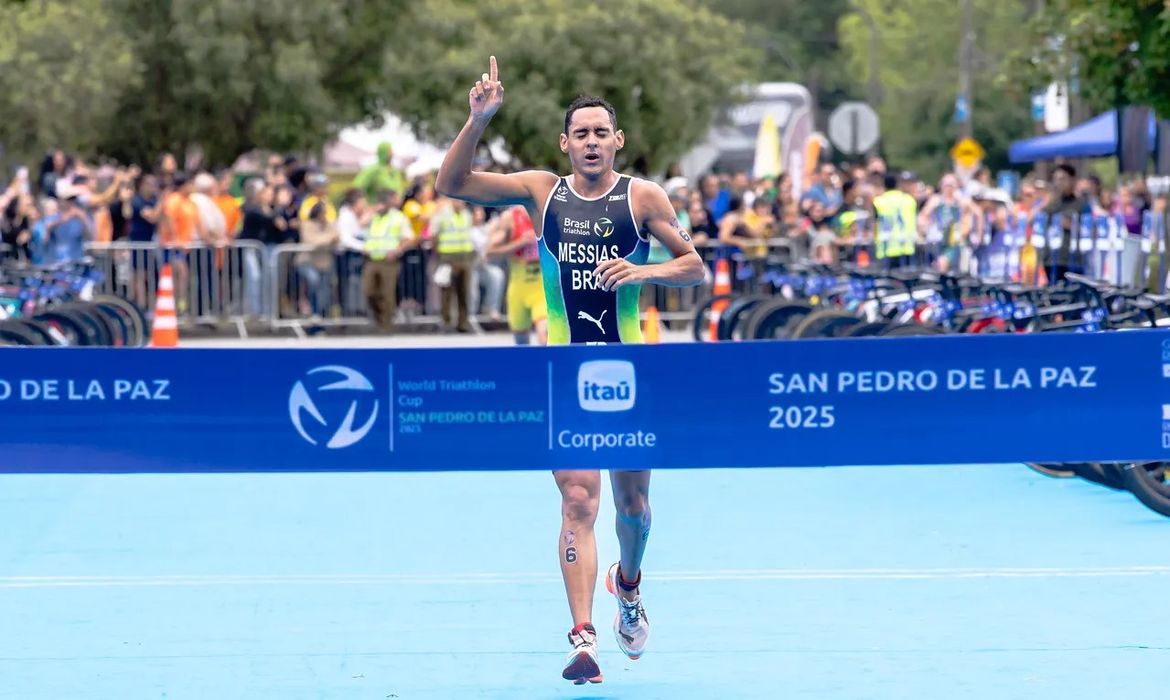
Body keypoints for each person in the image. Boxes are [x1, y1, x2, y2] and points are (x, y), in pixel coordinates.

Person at [435, 56, 705, 685]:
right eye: (579, 133)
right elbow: (453, 183)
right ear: (565, 144)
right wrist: (477, 120)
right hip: (564, 373)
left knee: (633, 506)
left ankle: (628, 584)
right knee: (578, 497)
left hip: (630, 372)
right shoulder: (540, 190)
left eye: (599, 133)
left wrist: (645, 271)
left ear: (617, 142)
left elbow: (693, 267)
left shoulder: (643, 197)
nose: (589, 142)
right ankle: (582, 636)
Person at [487, 204, 548, 344]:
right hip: (518, 290)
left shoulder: (548, 212)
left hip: (542, 289)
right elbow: (489, 252)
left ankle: (547, 366)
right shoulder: (510, 218)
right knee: (521, 345)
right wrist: (519, 243)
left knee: (544, 335)